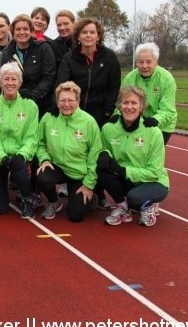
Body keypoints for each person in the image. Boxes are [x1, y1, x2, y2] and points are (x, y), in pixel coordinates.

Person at [97, 86, 170, 227]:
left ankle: (149, 205)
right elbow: (103, 151)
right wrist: (103, 156)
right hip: (127, 178)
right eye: (125, 103)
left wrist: (122, 171)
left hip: (154, 180)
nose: (129, 107)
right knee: (100, 168)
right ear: (119, 106)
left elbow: (154, 172)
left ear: (141, 107)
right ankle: (123, 208)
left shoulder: (153, 132)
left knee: (135, 199)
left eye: (134, 103)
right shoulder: (108, 128)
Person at [36, 81, 102, 222]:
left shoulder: (89, 122)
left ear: (78, 101)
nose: (66, 104)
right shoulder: (48, 118)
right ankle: (54, 201)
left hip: (79, 174)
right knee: (41, 175)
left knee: (75, 216)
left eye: (70, 100)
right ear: (57, 102)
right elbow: (39, 142)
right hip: (58, 167)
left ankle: (92, 196)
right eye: (63, 100)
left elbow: (95, 155)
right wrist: (44, 159)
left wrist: (89, 184)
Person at [0, 62, 39, 218]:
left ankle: (27, 199)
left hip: (18, 156)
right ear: (0, 82)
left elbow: (32, 136)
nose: (10, 83)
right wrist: (3, 158)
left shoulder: (30, 106)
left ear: (20, 82)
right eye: (6, 79)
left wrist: (22, 155)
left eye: (14, 79)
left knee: (21, 171)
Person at [56, 17, 121, 127]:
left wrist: (107, 112)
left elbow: (114, 87)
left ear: (98, 36)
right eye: (84, 32)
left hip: (102, 114)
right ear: (78, 37)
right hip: (75, 113)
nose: (88, 35)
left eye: (92, 32)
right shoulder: (69, 58)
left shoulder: (110, 57)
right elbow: (62, 85)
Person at [119, 43, 177, 143]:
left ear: (156, 62)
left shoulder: (167, 79)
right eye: (141, 62)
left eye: (148, 62)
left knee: (154, 152)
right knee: (137, 150)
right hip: (137, 120)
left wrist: (156, 120)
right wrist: (118, 115)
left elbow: (168, 109)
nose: (144, 66)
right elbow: (121, 101)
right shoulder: (130, 78)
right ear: (136, 63)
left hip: (162, 123)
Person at [6, 14, 56, 116]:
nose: (22, 32)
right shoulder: (7, 52)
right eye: (18, 29)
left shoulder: (43, 48)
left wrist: (33, 96)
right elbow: (5, 78)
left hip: (41, 102)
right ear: (13, 32)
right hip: (15, 102)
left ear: (31, 31)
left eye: (25, 29)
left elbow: (49, 77)